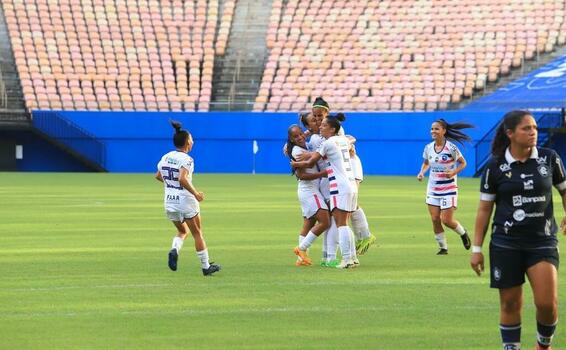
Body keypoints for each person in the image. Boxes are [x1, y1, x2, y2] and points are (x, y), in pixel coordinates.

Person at [470, 110, 566, 350]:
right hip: (505, 243)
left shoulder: (550, 158)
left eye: (534, 127)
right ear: (510, 133)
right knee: (510, 304)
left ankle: (543, 345)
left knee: (547, 303)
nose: (533, 132)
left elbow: (564, 190)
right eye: (527, 128)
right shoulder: (494, 167)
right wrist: (476, 248)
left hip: (542, 241)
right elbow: (484, 210)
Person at [292, 114, 359, 269]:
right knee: (345, 223)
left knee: (341, 224)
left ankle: (347, 259)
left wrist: (295, 164)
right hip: (351, 184)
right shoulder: (343, 140)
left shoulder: (327, 144)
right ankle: (352, 258)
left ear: (332, 129)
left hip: (339, 187)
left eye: (323, 125)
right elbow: (351, 142)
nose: (320, 127)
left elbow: (310, 161)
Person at [155, 120, 221, 276]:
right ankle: (206, 267)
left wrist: (171, 185)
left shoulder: (166, 156)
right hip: (186, 200)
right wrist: (196, 193)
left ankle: (174, 249)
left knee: (182, 231)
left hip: (169, 200)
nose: (192, 141)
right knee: (197, 233)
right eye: (191, 139)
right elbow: (182, 178)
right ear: (187, 143)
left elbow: (158, 176)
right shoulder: (187, 159)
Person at [417, 118, 473, 255]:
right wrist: (422, 172)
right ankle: (443, 248)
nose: (433, 131)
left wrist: (453, 172)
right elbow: (426, 163)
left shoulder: (451, 148)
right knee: (435, 219)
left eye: (436, 129)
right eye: (432, 129)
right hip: (433, 188)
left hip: (449, 189)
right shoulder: (428, 148)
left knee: (446, 220)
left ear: (444, 131)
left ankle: (463, 233)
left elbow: (463, 163)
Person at [286, 124, 330, 266]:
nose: (299, 137)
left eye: (300, 134)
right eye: (295, 136)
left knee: (308, 223)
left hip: (308, 190)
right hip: (309, 190)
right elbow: (302, 175)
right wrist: (323, 174)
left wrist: (309, 130)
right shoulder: (298, 152)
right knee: (325, 222)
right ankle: (301, 249)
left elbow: (308, 140)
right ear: (291, 140)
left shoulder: (306, 145)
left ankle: (301, 260)